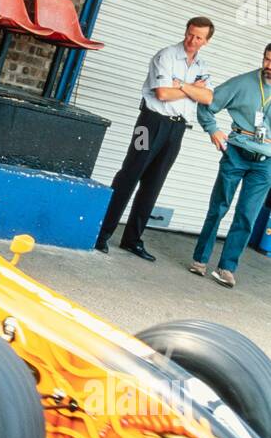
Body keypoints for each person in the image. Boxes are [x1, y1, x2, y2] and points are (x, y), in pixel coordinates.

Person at [95, 18, 215, 260]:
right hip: (149, 124)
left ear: (207, 41)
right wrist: (191, 88)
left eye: (199, 37)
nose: (193, 41)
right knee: (130, 174)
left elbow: (208, 98)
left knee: (154, 183)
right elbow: (162, 93)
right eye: (190, 34)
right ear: (186, 31)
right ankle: (102, 233)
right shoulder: (166, 56)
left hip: (177, 129)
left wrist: (180, 85)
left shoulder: (201, 64)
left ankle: (132, 240)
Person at [189, 42, 271, 288]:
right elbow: (207, 104)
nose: (269, 66)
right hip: (236, 153)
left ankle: (226, 267)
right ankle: (200, 260)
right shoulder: (242, 83)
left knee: (247, 216)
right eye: (267, 59)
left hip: (265, 164)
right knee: (219, 207)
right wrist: (213, 130)